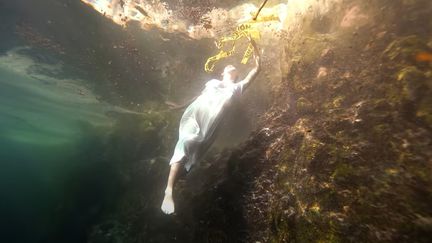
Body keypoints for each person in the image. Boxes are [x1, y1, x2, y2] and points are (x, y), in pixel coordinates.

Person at [161, 38, 261, 215]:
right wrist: (179, 106)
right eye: (228, 66)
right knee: (185, 142)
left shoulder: (238, 88)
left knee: (193, 149)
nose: (231, 66)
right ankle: (168, 190)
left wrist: (256, 50)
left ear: (236, 75)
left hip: (211, 121)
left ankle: (177, 179)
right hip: (194, 114)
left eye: (234, 68)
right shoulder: (212, 83)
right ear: (223, 72)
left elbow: (256, 70)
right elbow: (197, 97)